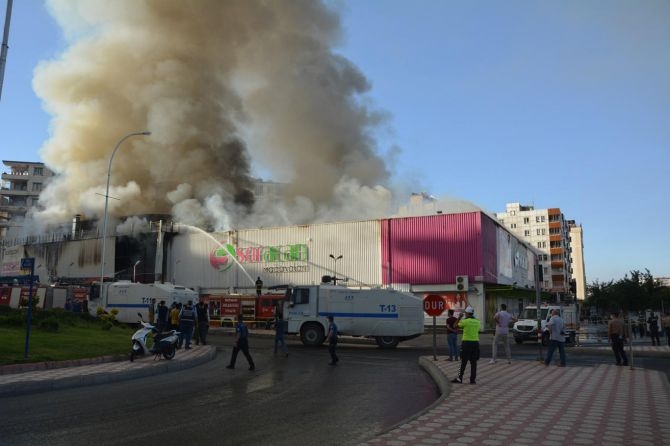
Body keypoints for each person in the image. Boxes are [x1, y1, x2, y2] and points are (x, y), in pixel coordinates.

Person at [451, 306, 480, 384]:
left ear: (467, 313)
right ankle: (472, 380)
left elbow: (454, 326)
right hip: (476, 343)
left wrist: (459, 317)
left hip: (466, 343)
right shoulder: (478, 321)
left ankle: (460, 378)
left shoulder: (465, 321)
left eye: (465, 313)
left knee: (463, 361)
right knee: (474, 363)